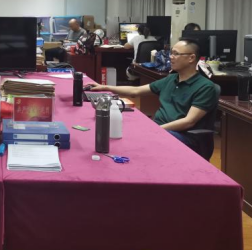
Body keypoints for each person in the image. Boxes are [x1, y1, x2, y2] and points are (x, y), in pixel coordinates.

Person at [86, 39, 219, 160]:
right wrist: (104, 87)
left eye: (176, 54)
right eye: (171, 53)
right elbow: (136, 91)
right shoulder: (171, 79)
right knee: (123, 130)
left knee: (137, 142)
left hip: (183, 136)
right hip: (162, 129)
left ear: (191, 58)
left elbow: (189, 121)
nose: (171, 57)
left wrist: (156, 129)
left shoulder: (205, 87)